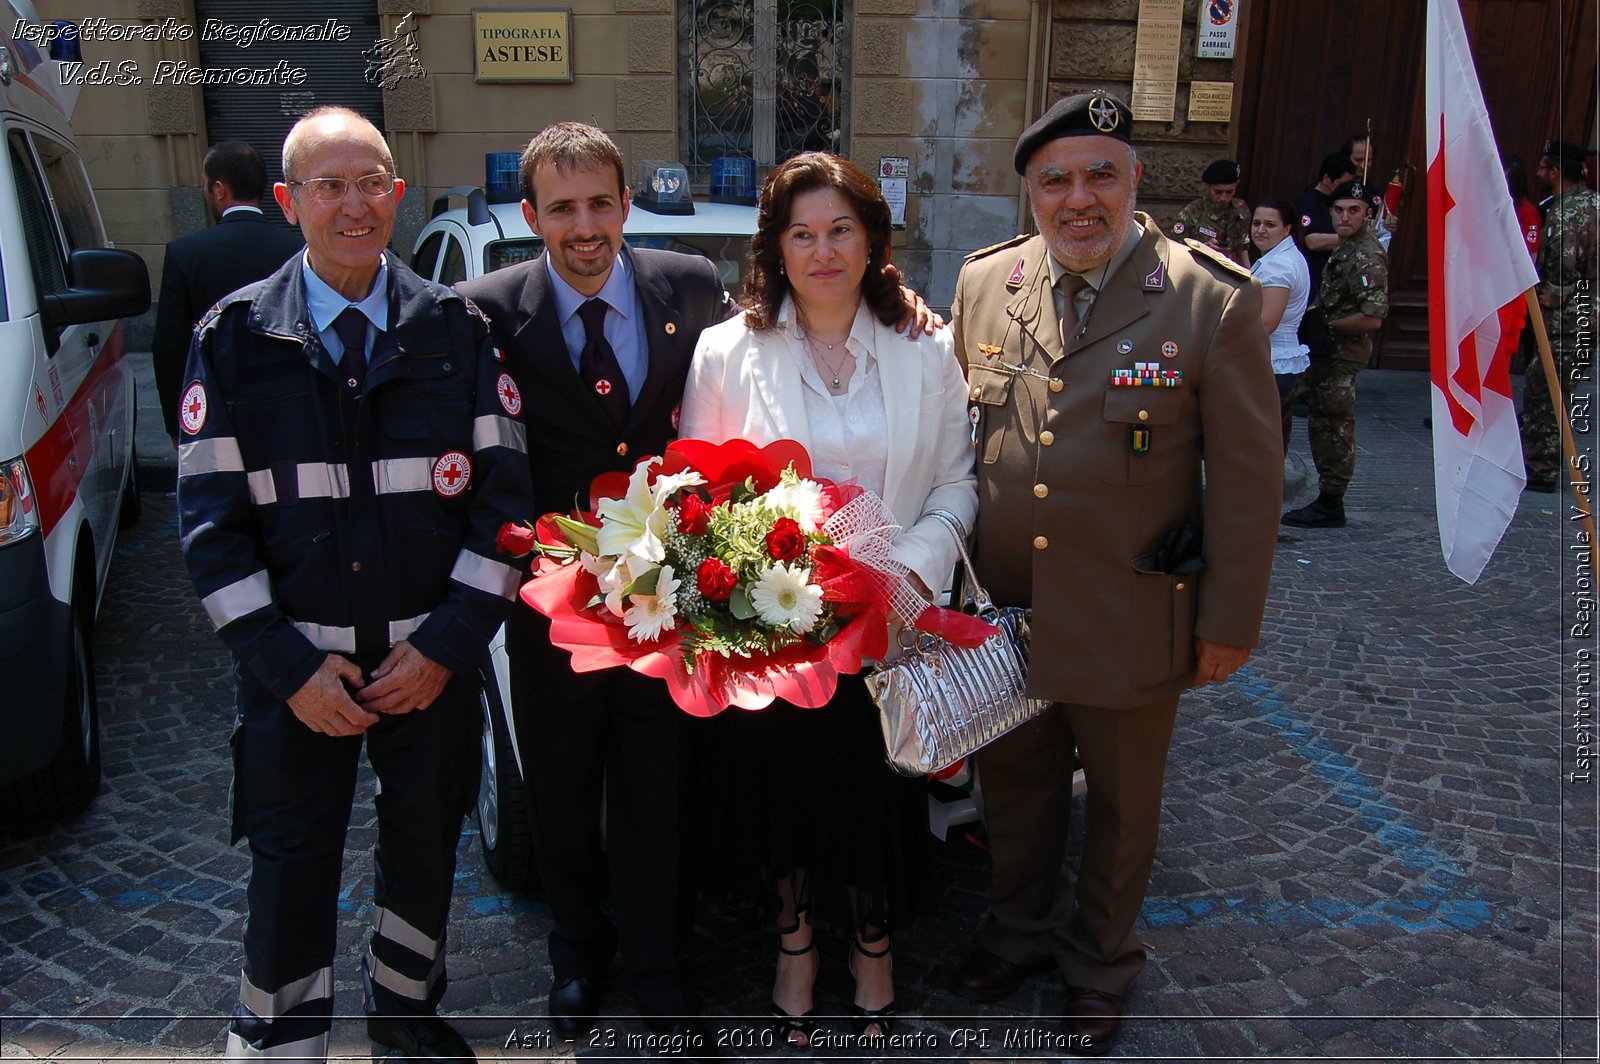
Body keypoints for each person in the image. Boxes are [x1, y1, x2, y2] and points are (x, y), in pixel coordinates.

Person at [455, 122, 936, 1053]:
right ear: (531, 217)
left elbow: (792, 314)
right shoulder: (484, 310)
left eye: (601, 202)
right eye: (562, 208)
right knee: (559, 789)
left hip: (674, 613)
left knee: (656, 795)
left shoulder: (688, 289)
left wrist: (894, 298)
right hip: (556, 610)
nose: (584, 225)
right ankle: (576, 953)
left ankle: (661, 967)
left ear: (626, 203)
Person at [177, 107, 531, 1061]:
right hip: (297, 681)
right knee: (290, 868)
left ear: (397, 194)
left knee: (423, 857)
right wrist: (289, 668)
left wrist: (449, 648)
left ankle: (405, 1021)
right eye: (328, 186)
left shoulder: (458, 333)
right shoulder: (235, 339)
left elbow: (506, 515)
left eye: (369, 181)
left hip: (428, 670)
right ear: (288, 202)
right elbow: (211, 536)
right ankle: (282, 1038)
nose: (352, 204)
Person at [949, 90, 1281, 1055]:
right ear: (1030, 196)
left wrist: (1229, 620)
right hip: (1009, 614)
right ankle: (1018, 933)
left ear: (1137, 183)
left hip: (1134, 611)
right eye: (1055, 181)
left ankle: (1100, 963)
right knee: (1013, 790)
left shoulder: (1209, 298)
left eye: (1101, 174)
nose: (1078, 198)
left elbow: (1251, 483)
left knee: (1127, 808)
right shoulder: (986, 285)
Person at [679, 151, 976, 1047]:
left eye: (840, 229)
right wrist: (778, 587)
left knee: (878, 798)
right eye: (800, 233)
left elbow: (958, 481)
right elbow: (697, 493)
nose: (822, 250)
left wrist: (908, 569)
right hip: (782, 638)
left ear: (872, 238)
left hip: (892, 622)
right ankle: (797, 947)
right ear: (774, 246)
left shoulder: (927, 346)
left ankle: (875, 952)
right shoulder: (728, 351)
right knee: (788, 798)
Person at [153, 140, 304, 443]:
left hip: (215, 408)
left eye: (205, 185)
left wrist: (177, 424)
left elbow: (170, 348)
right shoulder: (298, 251)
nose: (205, 191)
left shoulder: (185, 253)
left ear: (219, 190)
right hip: (289, 403)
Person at [1281, 181, 1388, 528]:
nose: (1344, 217)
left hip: (1342, 354)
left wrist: (1327, 325)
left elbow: (1372, 316)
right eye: (1338, 210)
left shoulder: (1366, 254)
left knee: (1332, 426)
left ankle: (1331, 501)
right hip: (1326, 351)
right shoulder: (1347, 245)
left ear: (1367, 214)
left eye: (1353, 210)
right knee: (1296, 407)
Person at [1524, 139, 1600, 492]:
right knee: (1561, 387)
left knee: (1545, 388)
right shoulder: (1594, 202)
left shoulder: (1566, 210)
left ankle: (1542, 468)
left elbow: (1566, 262)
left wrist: (1556, 291)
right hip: (1589, 314)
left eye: (1542, 166)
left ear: (1555, 172)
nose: (1538, 172)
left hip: (1568, 318)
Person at [1249, 199, 1312, 451]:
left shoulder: (1278, 265)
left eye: (1270, 224)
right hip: (1278, 360)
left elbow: (1266, 323)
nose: (1260, 230)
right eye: (1256, 223)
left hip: (1273, 360)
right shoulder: (1284, 256)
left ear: (1286, 229)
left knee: (1257, 442)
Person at [1293, 152, 1355, 298]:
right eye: (1341, 184)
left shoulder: (1339, 202)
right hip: (1313, 279)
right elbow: (1312, 241)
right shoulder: (1308, 203)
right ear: (1327, 179)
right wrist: (1352, 237)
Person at [1171, 158, 1250, 264]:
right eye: (1218, 192)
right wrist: (1203, 248)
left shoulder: (1240, 209)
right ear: (1208, 187)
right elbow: (1175, 248)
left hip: (1232, 272)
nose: (1223, 198)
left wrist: (1249, 274)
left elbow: (1242, 246)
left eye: (1229, 192)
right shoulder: (1191, 212)